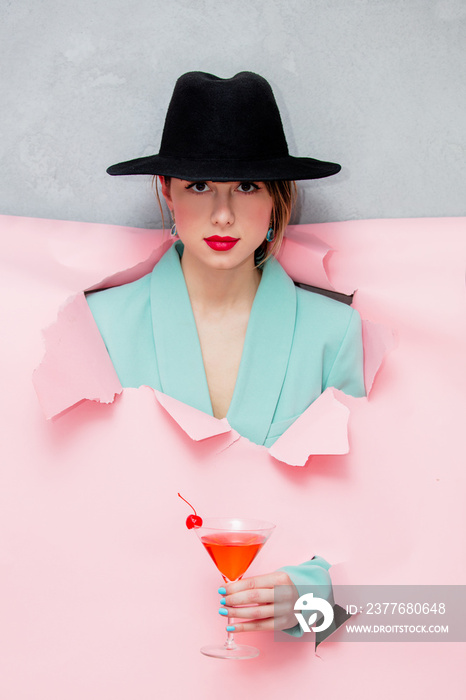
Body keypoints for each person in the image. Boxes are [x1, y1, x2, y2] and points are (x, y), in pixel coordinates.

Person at [86, 71, 366, 638]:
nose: (222, 215)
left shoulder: (334, 332)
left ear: (277, 197)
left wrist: (309, 601)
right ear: (165, 188)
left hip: (285, 671)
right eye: (199, 186)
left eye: (245, 187)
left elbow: (385, 531)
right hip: (121, 638)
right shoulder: (98, 325)